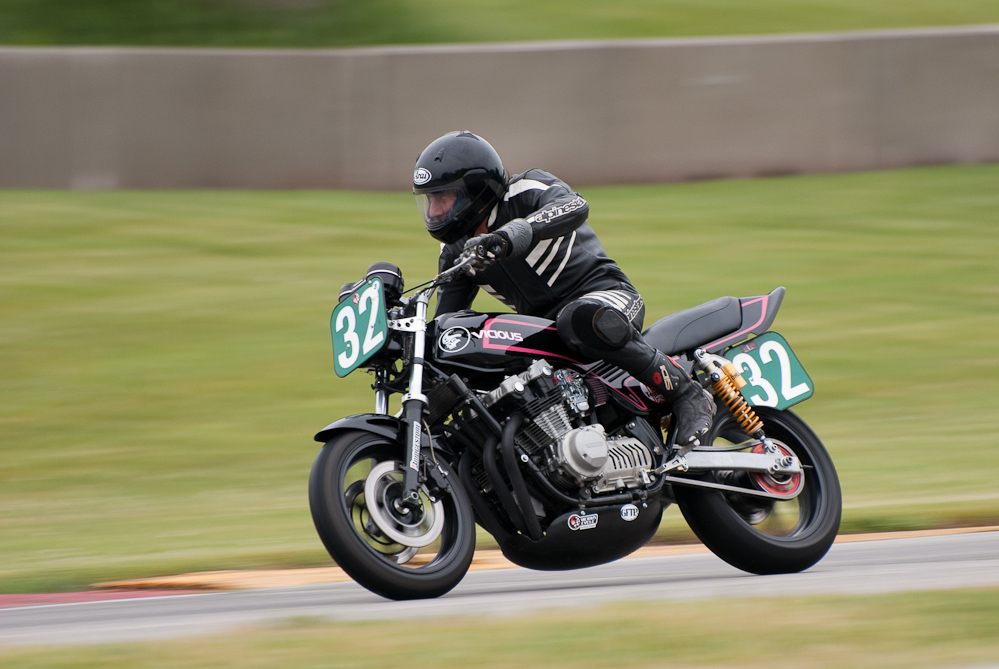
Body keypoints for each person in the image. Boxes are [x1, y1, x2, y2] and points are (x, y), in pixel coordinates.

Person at [413, 131, 714, 446]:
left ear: (475, 190)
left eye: (443, 198)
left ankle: (687, 392)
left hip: (606, 300)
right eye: (430, 200)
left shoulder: (525, 191)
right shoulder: (457, 251)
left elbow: (574, 205)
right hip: (547, 333)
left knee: (579, 319)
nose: (434, 212)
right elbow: (448, 321)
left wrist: (511, 235)